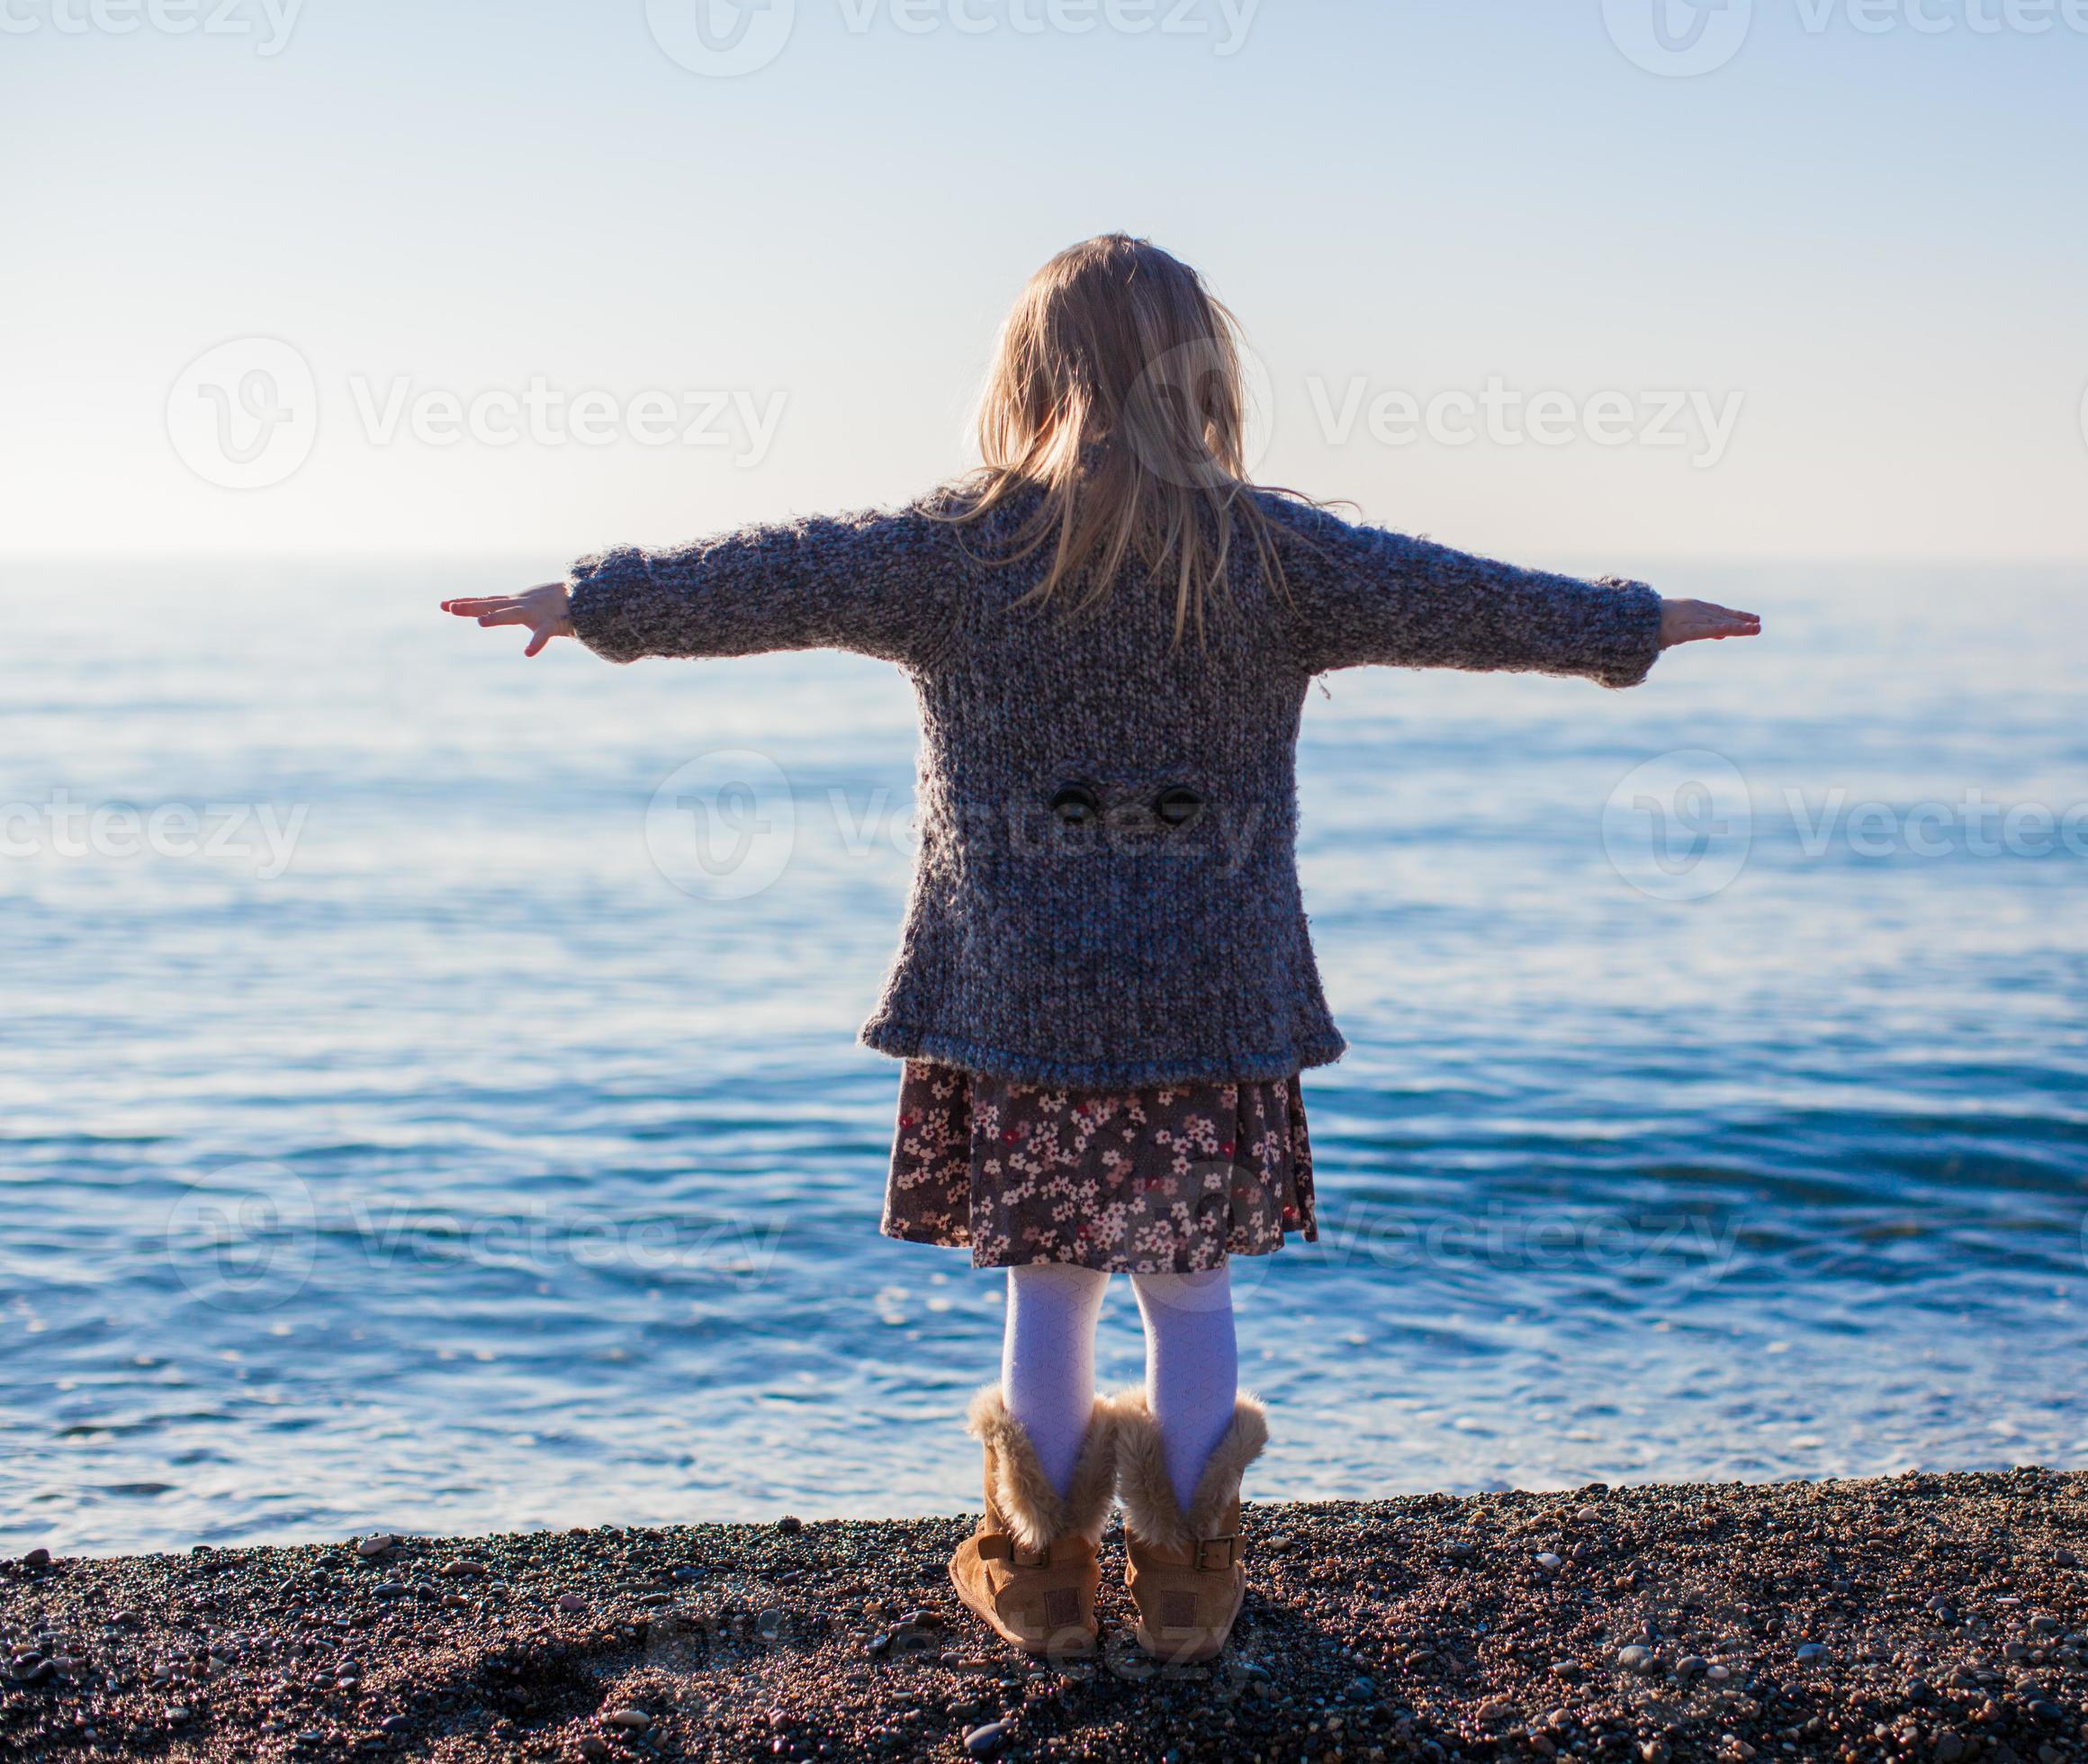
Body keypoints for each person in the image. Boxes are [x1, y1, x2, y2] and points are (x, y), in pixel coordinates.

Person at [443, 232, 1758, 1660]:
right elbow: (1466, 601)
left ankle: (1048, 1577)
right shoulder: (1275, 553)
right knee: (1190, 1292)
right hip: (1209, 1004)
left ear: (1031, 372)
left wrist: (595, 603)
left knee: (1050, 1286)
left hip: (1022, 1009)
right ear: (1204, 373)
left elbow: (780, 575)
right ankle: (1190, 1590)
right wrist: (1631, 625)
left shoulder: (956, 549)